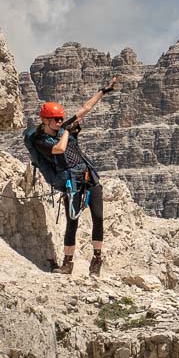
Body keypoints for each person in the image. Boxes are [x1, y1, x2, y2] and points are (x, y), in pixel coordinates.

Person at [31, 77, 117, 275]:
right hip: (71, 183)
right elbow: (59, 149)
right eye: (56, 119)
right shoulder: (40, 140)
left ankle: (97, 260)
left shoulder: (62, 128)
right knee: (72, 221)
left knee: (98, 218)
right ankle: (67, 263)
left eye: (61, 119)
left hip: (88, 177)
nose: (60, 122)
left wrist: (103, 91)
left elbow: (85, 108)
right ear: (45, 120)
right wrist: (66, 132)